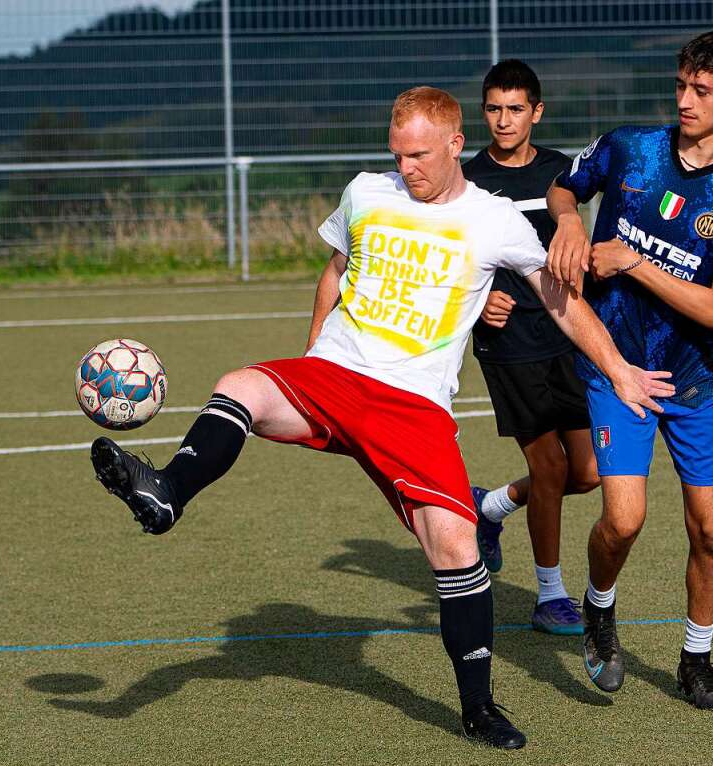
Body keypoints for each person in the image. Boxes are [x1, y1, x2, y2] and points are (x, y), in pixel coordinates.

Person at [89, 86, 674, 750]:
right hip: (336, 375)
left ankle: (478, 708)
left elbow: (562, 301)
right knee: (240, 385)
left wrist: (620, 368)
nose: (408, 167)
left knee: (456, 552)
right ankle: (166, 493)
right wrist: (312, 356)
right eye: (398, 154)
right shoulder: (366, 191)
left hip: (414, 405)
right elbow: (335, 271)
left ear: (455, 144)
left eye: (420, 154)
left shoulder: (495, 219)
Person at [546, 31, 713, 709]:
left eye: (701, 90)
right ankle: (598, 608)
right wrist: (567, 222)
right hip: (615, 365)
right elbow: (565, 188)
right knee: (622, 520)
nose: (684, 99)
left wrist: (633, 261)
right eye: (680, 85)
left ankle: (696, 659)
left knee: (709, 526)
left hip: (697, 383)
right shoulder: (629, 147)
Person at [462, 59, 599, 636]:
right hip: (507, 340)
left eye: (515, 109)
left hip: (565, 333)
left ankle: (489, 508)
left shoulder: (560, 175)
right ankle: (550, 596)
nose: (503, 120)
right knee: (547, 466)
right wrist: (477, 302)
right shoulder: (463, 181)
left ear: (536, 113)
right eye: (494, 108)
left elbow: (579, 244)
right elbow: (446, 259)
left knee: (588, 472)